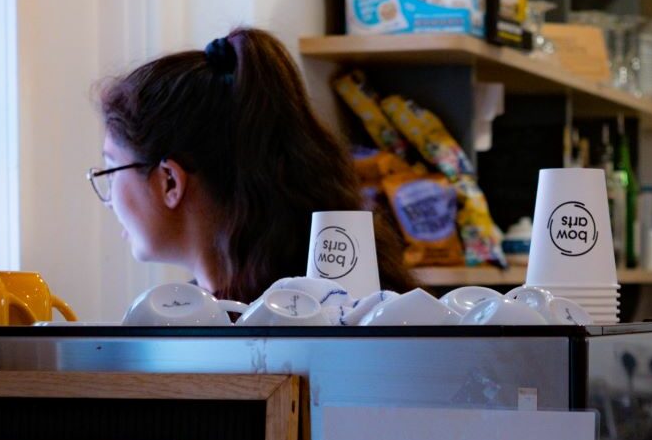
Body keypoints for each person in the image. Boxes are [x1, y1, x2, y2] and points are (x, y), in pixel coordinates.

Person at [93, 27, 417, 301]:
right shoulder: (338, 309)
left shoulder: (241, 342)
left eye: (111, 170)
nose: (109, 202)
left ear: (170, 181)